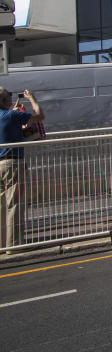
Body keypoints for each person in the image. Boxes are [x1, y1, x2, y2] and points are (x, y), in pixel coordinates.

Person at [1, 88, 44, 251]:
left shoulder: (9, 115)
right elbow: (39, 116)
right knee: (14, 205)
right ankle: (14, 246)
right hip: (12, 163)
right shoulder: (12, 116)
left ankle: (2, 245)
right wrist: (32, 99)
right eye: (9, 97)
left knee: (1, 206)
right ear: (5, 100)